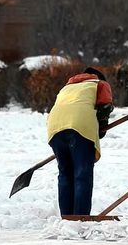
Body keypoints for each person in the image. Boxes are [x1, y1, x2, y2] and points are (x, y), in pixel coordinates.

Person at [47, 67, 113, 216]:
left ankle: (67, 217)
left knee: (65, 173)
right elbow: (105, 107)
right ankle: (80, 218)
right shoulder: (99, 83)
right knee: (82, 174)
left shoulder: (67, 87)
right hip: (80, 126)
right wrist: (101, 130)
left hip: (55, 128)